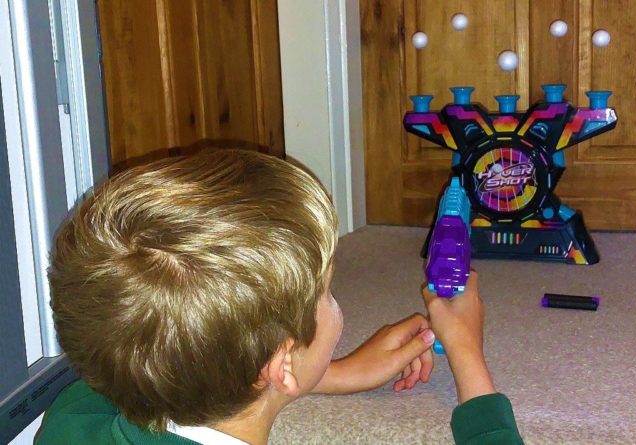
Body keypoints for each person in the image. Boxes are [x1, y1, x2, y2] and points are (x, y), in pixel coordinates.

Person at [36, 149, 521, 444]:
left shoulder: (71, 423)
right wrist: (466, 354)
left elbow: (104, 384)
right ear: (279, 364)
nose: (335, 304)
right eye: (327, 293)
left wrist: (331, 374)